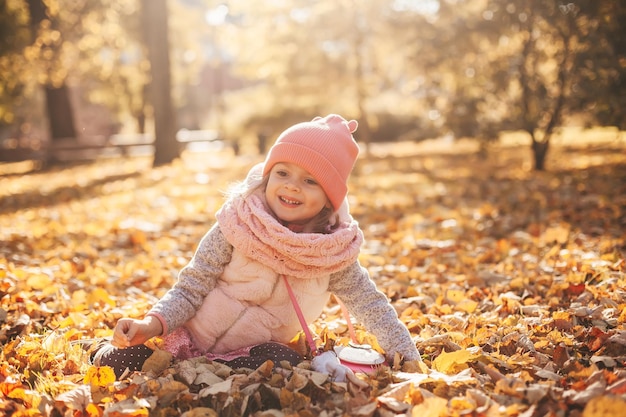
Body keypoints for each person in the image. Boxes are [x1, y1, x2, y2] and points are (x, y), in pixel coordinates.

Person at [93, 114, 420, 380]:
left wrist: (407, 357)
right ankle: (99, 349)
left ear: (329, 199)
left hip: (254, 353)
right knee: (116, 363)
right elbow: (191, 288)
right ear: (267, 177)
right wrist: (151, 325)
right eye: (282, 173)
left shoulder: (332, 252)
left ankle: (216, 378)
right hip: (190, 336)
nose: (292, 185)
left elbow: (371, 305)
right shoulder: (236, 225)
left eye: (310, 181)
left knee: (280, 368)